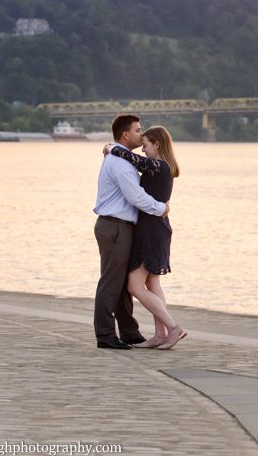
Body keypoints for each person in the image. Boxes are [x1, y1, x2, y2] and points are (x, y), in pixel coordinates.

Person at [105, 125, 186, 350]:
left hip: (151, 230)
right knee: (152, 282)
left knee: (134, 285)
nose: (143, 150)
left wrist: (111, 147)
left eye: (146, 145)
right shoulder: (164, 167)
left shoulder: (158, 166)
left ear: (157, 144)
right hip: (157, 228)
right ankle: (160, 334)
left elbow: (130, 157)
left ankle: (172, 328)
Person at [93, 114, 169, 350]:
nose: (141, 133)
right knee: (111, 282)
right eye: (138, 130)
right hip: (115, 226)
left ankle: (128, 332)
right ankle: (105, 335)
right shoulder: (120, 163)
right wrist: (161, 209)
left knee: (122, 282)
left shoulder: (121, 158)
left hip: (120, 227)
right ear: (126, 134)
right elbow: (135, 197)